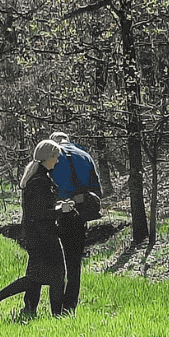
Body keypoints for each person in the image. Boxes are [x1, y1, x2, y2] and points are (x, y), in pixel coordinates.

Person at [0, 140, 76, 318]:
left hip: (37, 235)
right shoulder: (39, 181)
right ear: (48, 157)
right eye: (55, 157)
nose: (57, 161)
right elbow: (39, 213)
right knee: (54, 277)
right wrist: (60, 210)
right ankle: (57, 316)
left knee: (36, 278)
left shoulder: (38, 177)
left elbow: (39, 208)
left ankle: (8, 303)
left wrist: (58, 206)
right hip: (44, 237)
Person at [47, 130, 103, 313]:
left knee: (55, 262)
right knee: (74, 264)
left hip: (58, 214)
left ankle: (55, 306)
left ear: (53, 142)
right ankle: (69, 308)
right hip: (79, 215)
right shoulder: (86, 156)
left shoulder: (53, 156)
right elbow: (97, 190)